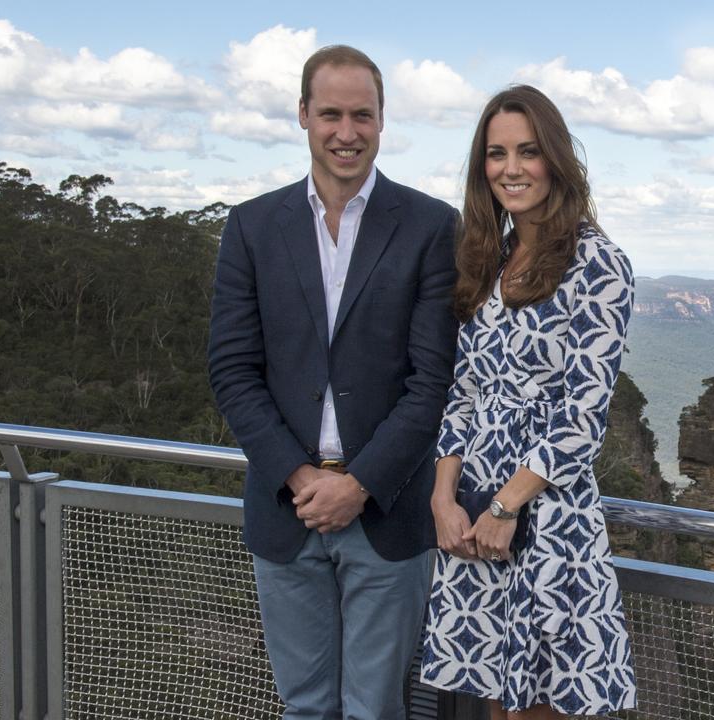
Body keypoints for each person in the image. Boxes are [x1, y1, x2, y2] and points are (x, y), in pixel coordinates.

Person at [208, 45, 458, 720]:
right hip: (286, 510)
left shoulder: (431, 227)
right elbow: (232, 369)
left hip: (386, 511)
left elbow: (432, 381)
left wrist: (359, 484)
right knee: (306, 708)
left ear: (382, 121)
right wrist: (299, 478)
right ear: (302, 116)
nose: (346, 132)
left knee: (377, 709)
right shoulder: (253, 227)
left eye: (361, 115)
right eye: (331, 114)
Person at [420, 85, 637, 719]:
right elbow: (463, 393)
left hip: (544, 516)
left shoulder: (598, 265)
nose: (511, 169)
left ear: (557, 161)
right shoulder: (487, 260)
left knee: (540, 705)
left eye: (528, 151)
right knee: (497, 702)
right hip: (473, 516)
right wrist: (442, 497)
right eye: (496, 154)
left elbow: (580, 414)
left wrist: (506, 505)